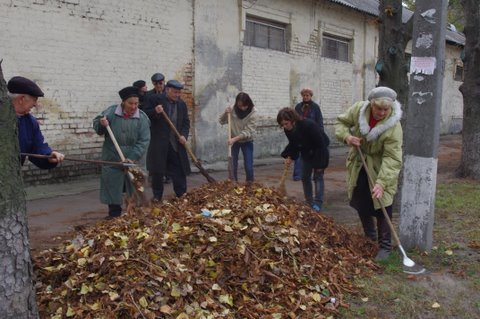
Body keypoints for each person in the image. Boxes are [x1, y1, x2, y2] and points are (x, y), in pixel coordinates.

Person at [334, 86, 403, 261]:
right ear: (371, 104)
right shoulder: (359, 110)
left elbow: (392, 158)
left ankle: (385, 246)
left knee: (383, 206)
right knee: (361, 201)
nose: (381, 112)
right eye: (378, 108)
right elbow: (340, 123)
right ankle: (370, 239)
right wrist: (347, 137)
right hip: (359, 164)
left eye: (385, 109)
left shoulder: (394, 126)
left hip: (381, 168)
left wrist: (382, 182)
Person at [93, 86, 150, 219]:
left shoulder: (142, 118)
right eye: (131, 103)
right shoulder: (111, 112)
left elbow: (144, 141)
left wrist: (131, 158)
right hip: (113, 159)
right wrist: (101, 124)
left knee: (133, 188)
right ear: (123, 102)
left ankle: (133, 215)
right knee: (113, 188)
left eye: (136, 103)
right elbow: (98, 127)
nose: (134, 106)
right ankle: (114, 215)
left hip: (133, 161)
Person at [144, 80, 191, 201]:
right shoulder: (155, 99)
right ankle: (157, 196)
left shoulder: (181, 104)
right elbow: (144, 115)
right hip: (159, 142)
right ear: (167, 90)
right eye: (175, 92)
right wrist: (155, 111)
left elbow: (186, 122)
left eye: (179, 92)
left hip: (176, 143)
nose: (177, 95)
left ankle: (181, 194)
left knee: (178, 169)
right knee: (158, 171)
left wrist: (184, 135)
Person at [277, 107, 329, 212]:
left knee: (318, 177)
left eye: (286, 123)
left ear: (293, 120)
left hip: (319, 150)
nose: (285, 127)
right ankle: (309, 202)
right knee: (305, 177)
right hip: (306, 152)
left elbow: (321, 144)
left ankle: (318, 203)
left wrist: (321, 164)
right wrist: (290, 156)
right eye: (282, 125)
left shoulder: (308, 125)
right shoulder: (288, 130)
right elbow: (294, 143)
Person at [7, 76, 65, 169]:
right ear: (21, 99)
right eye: (34, 100)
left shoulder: (31, 122)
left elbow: (37, 148)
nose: (35, 105)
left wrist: (48, 156)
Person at [219, 92, 257, 182]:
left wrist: (234, 139)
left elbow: (248, 131)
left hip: (247, 141)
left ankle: (250, 184)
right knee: (232, 165)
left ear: (248, 103)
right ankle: (233, 184)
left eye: (244, 106)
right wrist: (225, 113)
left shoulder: (253, 112)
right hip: (234, 142)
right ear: (237, 104)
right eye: (240, 106)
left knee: (248, 166)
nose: (242, 108)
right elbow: (222, 121)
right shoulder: (232, 109)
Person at [293, 88, 324, 181]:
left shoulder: (315, 107)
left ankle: (316, 174)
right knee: (298, 155)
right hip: (301, 134)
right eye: (304, 95)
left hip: (312, 134)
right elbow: (294, 119)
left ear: (311, 96)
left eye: (307, 95)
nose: (306, 97)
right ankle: (297, 175)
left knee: (314, 154)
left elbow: (319, 120)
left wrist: (320, 132)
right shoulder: (298, 107)